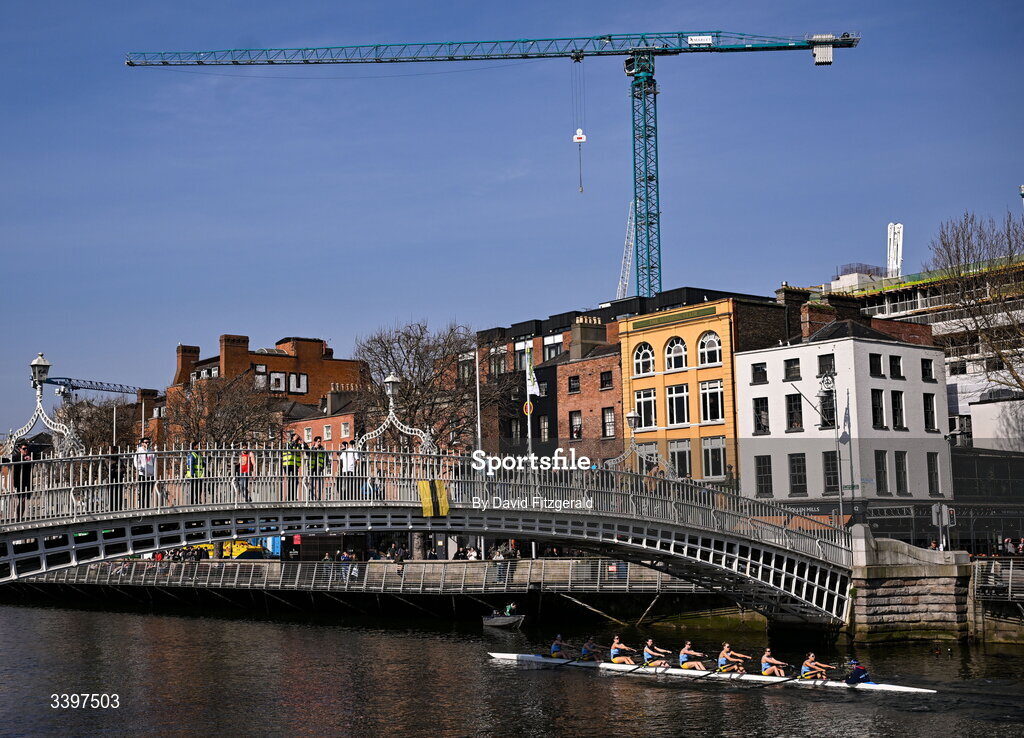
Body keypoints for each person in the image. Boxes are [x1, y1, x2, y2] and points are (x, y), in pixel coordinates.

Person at [11, 440, 33, 520]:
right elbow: (13, 459)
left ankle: (20, 517)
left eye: (27, 449)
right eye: (24, 449)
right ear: (20, 449)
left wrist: (30, 458)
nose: (26, 450)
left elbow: (42, 456)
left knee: (23, 501)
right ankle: (18, 517)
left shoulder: (31, 456)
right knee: (22, 500)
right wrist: (24, 459)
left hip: (27, 481)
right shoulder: (17, 456)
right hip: (19, 481)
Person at [135, 437, 156, 508]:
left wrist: (154, 472)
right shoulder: (139, 451)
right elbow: (136, 462)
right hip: (143, 475)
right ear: (142, 443)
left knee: (149, 492)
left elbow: (154, 462)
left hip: (151, 474)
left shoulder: (151, 452)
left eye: (148, 442)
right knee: (142, 492)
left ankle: (147, 506)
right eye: (146, 442)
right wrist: (140, 469)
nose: (147, 444)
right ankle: (141, 507)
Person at [283, 432, 303, 501]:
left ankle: (294, 497)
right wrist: (294, 440)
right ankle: (290, 497)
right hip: (288, 465)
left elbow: (306, 449)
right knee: (291, 481)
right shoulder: (287, 444)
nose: (297, 440)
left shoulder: (298, 446)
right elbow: (290, 448)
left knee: (295, 481)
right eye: (295, 438)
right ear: (292, 439)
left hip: (295, 465)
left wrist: (302, 441)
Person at [308, 436, 327, 501]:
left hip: (319, 468)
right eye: (318, 441)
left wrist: (323, 467)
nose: (319, 443)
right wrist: (314, 449)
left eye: (320, 441)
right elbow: (308, 456)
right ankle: (312, 498)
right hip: (312, 468)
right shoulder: (311, 449)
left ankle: (319, 497)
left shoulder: (322, 449)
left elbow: (326, 459)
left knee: (320, 484)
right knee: (312, 484)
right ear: (315, 442)